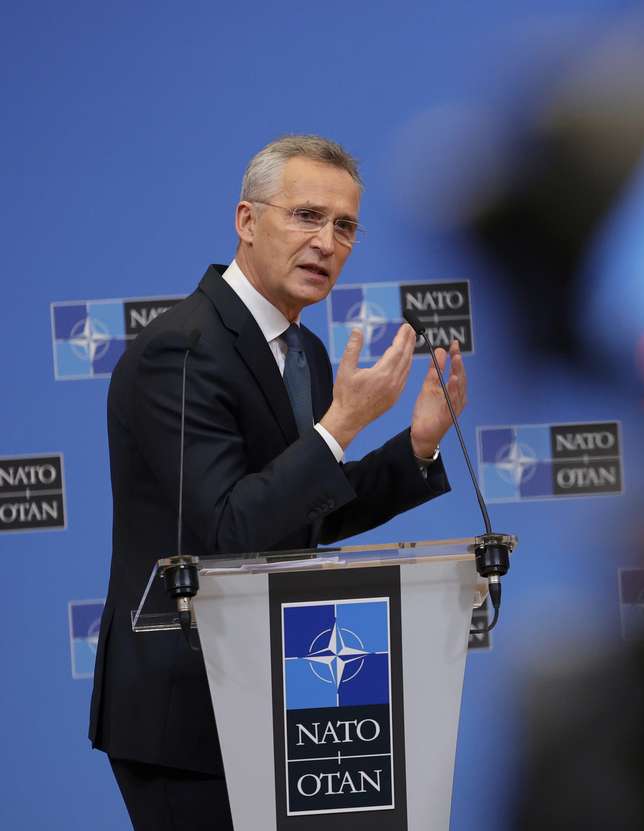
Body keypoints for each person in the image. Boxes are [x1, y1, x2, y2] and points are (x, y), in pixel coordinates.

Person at [88, 135, 467, 830]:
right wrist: (342, 424)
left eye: (345, 225)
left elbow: (302, 515)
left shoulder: (307, 352)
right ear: (247, 220)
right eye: (306, 216)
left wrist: (414, 448)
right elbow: (230, 527)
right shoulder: (179, 350)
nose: (327, 241)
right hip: (186, 719)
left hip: (284, 699)